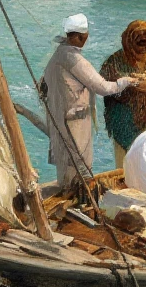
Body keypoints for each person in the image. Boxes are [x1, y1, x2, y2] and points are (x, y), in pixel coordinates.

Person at [40, 14, 140, 189]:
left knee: (67, 166)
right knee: (80, 168)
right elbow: (102, 88)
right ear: (80, 36)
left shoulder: (58, 54)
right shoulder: (74, 59)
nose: (86, 39)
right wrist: (127, 81)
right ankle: (78, 201)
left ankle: (70, 193)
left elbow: (43, 86)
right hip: (75, 122)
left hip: (60, 118)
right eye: (85, 36)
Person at [100, 20, 146, 169]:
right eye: (139, 43)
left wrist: (144, 87)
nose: (144, 48)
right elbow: (106, 90)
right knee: (126, 169)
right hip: (123, 126)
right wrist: (133, 87)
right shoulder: (114, 62)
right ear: (129, 42)